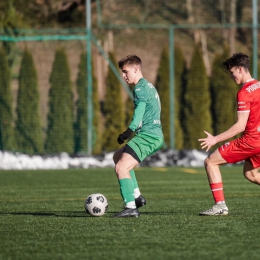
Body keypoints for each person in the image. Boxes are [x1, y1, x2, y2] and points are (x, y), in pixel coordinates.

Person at [198, 53, 260, 216]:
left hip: (251, 141)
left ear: (240, 69)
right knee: (251, 174)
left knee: (210, 161)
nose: (231, 76)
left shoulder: (244, 93)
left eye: (232, 72)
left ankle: (220, 206)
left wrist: (215, 139)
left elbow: (240, 126)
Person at [112, 54, 164, 218]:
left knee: (121, 168)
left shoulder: (140, 88)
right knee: (117, 156)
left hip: (148, 136)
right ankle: (137, 197)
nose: (124, 75)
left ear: (136, 69)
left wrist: (129, 131)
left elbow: (139, 112)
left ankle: (130, 207)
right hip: (153, 134)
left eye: (126, 71)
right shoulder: (149, 86)